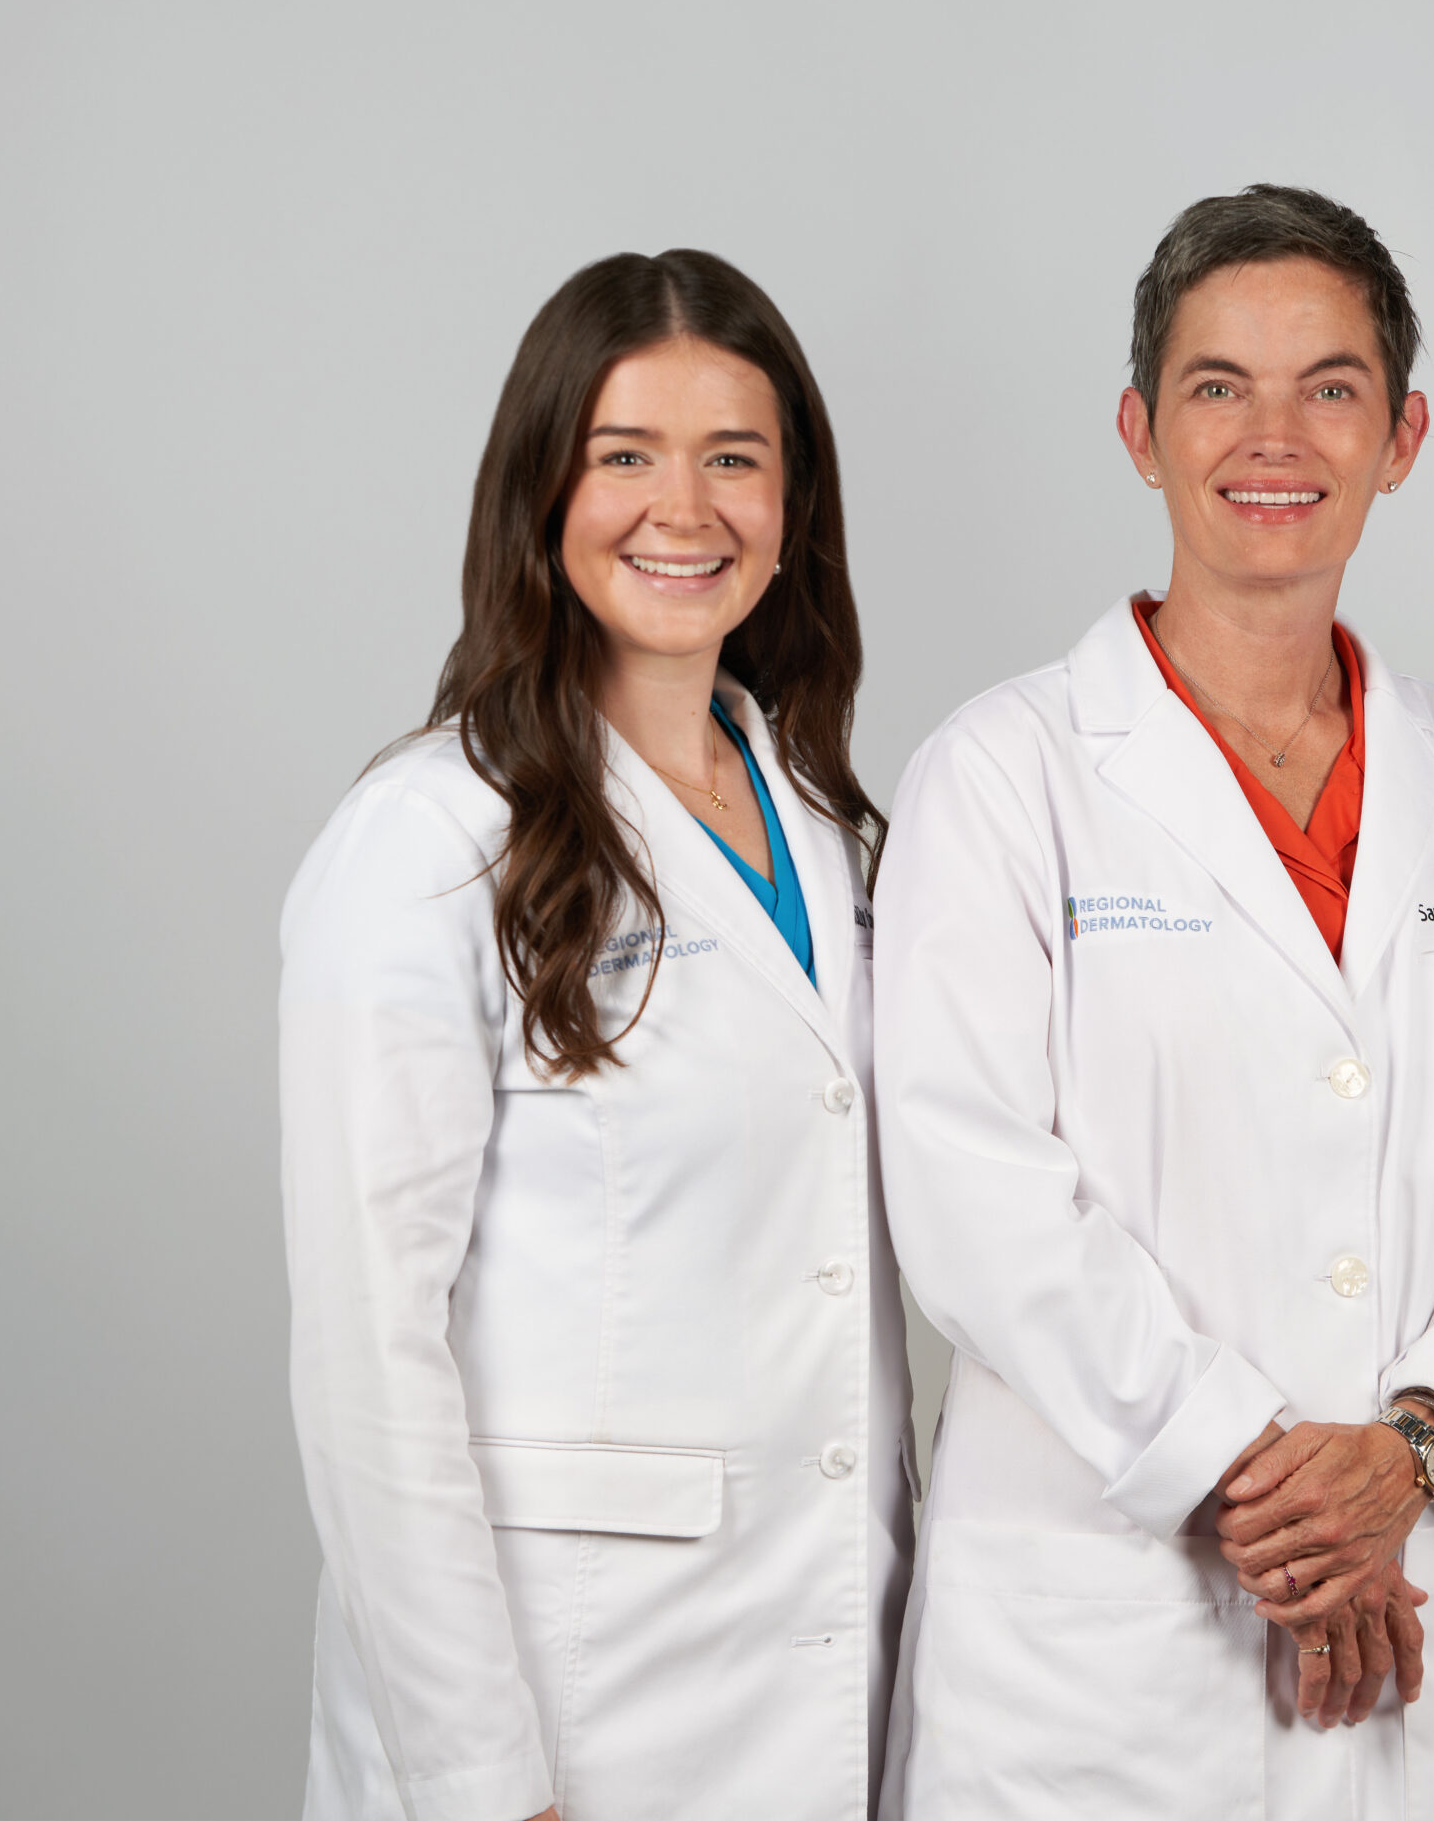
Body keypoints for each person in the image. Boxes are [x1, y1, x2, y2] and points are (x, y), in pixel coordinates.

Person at [872, 185, 1434, 1819]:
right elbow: (973, 1191)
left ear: (1403, 433)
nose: (1272, 434)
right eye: (1220, 384)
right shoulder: (1005, 776)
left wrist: (1413, 1452)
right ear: (1141, 430)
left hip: (1425, 1653)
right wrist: (1272, 1484)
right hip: (1109, 1668)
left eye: (1331, 386)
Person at [281, 250, 910, 1821]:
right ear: (539, 490)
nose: (680, 509)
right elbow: (369, 1354)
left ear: (794, 509)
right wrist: (478, 1778)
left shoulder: (829, 823)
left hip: (826, 1652)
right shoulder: (428, 836)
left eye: (734, 459)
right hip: (571, 1701)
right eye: (623, 454)